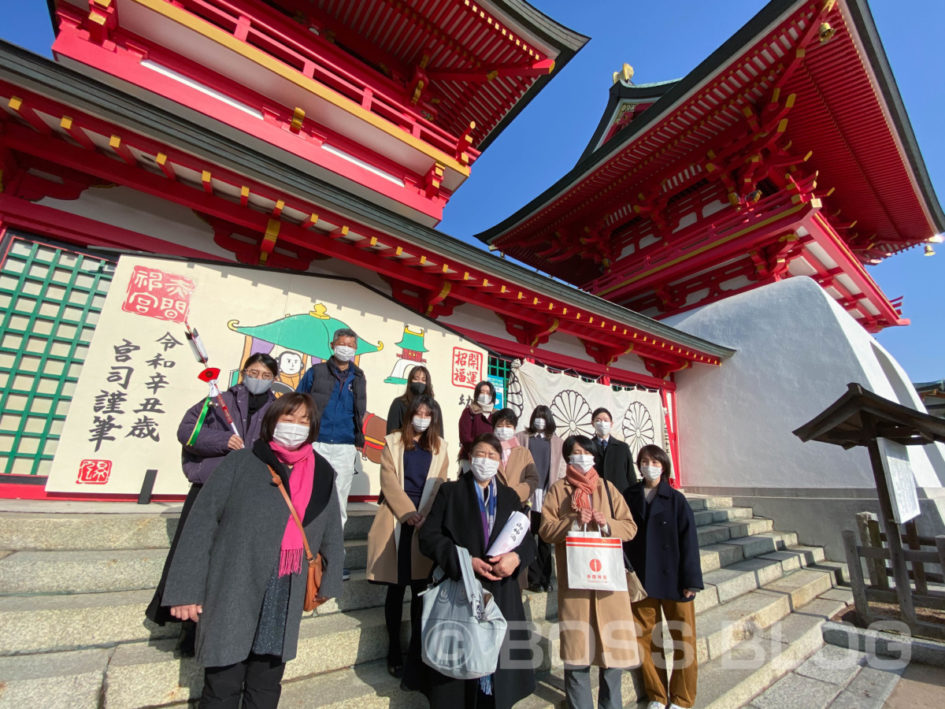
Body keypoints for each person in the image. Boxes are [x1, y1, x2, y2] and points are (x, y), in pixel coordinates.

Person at [162, 393, 344, 709]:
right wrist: (185, 591)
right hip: (234, 583)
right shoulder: (242, 462)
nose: (295, 426)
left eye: (304, 421)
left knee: (266, 684)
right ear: (273, 421)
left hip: (285, 588)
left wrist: (328, 586)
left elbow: (331, 532)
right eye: (288, 418)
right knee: (223, 682)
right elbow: (201, 524)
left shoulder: (323, 472)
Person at [146, 353, 279, 653]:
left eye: (266, 374)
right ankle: (186, 627)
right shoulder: (219, 399)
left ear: (274, 378)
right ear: (244, 373)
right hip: (209, 486)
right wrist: (222, 440)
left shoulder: (276, 408)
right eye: (253, 372)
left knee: (227, 561)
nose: (259, 378)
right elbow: (187, 431)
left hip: (247, 490)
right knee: (192, 554)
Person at [418, 433, 537, 708]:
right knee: (458, 683)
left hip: (501, 593)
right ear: (470, 459)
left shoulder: (509, 497)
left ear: (500, 462)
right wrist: (464, 561)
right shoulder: (450, 492)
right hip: (461, 590)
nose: (485, 460)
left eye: (492, 456)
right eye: (480, 455)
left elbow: (528, 541)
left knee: (498, 681)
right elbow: (429, 538)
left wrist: (515, 559)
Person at [539, 435, 639, 709]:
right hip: (576, 584)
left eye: (585, 452)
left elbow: (630, 527)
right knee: (577, 657)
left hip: (609, 585)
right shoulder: (558, 490)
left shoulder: (607, 489)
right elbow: (545, 530)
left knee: (613, 660)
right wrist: (571, 521)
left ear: (594, 456)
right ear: (568, 458)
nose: (580, 457)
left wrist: (607, 524)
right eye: (574, 452)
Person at [366, 396, 449, 687]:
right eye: (418, 412)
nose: (422, 417)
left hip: (424, 524)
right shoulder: (394, 442)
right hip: (397, 519)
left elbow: (440, 483)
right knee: (395, 589)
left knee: (419, 592)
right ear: (410, 414)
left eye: (428, 413)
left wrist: (424, 515)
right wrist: (408, 513)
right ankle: (393, 650)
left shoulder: (440, 447)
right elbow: (387, 480)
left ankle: (416, 649)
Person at [626, 445, 702, 709]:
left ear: (663, 465)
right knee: (645, 639)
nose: (649, 466)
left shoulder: (676, 499)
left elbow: (689, 540)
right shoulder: (630, 495)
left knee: (684, 638)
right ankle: (657, 695)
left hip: (675, 580)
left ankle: (682, 698)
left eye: (654, 461)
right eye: (644, 461)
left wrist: (691, 580)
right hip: (642, 580)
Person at [296, 327, 366, 580]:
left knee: (339, 505)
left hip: (345, 446)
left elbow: (360, 410)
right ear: (332, 345)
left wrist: (359, 439)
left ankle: (334, 560)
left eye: (351, 345)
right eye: (342, 343)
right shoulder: (316, 372)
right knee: (309, 498)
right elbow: (299, 402)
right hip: (316, 442)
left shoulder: (358, 376)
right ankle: (305, 555)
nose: (346, 348)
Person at [515, 406, 565, 591]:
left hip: (548, 494)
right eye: (537, 416)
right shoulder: (522, 438)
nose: (540, 420)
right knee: (529, 536)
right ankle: (533, 580)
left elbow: (561, 469)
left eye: (543, 417)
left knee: (546, 538)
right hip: (528, 493)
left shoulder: (557, 442)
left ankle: (546, 578)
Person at [492, 408, 539, 506]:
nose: (504, 429)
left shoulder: (524, 452)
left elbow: (533, 479)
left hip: (517, 504)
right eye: (500, 426)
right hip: (492, 503)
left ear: (514, 428)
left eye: (508, 426)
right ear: (494, 428)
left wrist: (515, 493)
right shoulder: (488, 451)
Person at [589, 408, 635, 499]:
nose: (602, 423)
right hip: (597, 496)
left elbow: (630, 475)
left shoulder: (623, 447)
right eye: (598, 420)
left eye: (606, 420)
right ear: (592, 423)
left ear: (611, 424)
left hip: (620, 496)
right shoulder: (587, 448)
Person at [385, 365, 444, 436]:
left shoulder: (434, 406)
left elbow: (439, 434)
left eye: (423, 380)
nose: (419, 382)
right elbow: (391, 432)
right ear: (410, 381)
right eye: (416, 379)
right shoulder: (398, 403)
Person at [458, 380, 497, 463]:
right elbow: (465, 438)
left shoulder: (496, 414)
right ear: (477, 394)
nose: (485, 395)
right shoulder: (469, 411)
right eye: (482, 392)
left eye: (488, 393)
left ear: (492, 395)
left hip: (491, 459)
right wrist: (478, 452)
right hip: (471, 457)